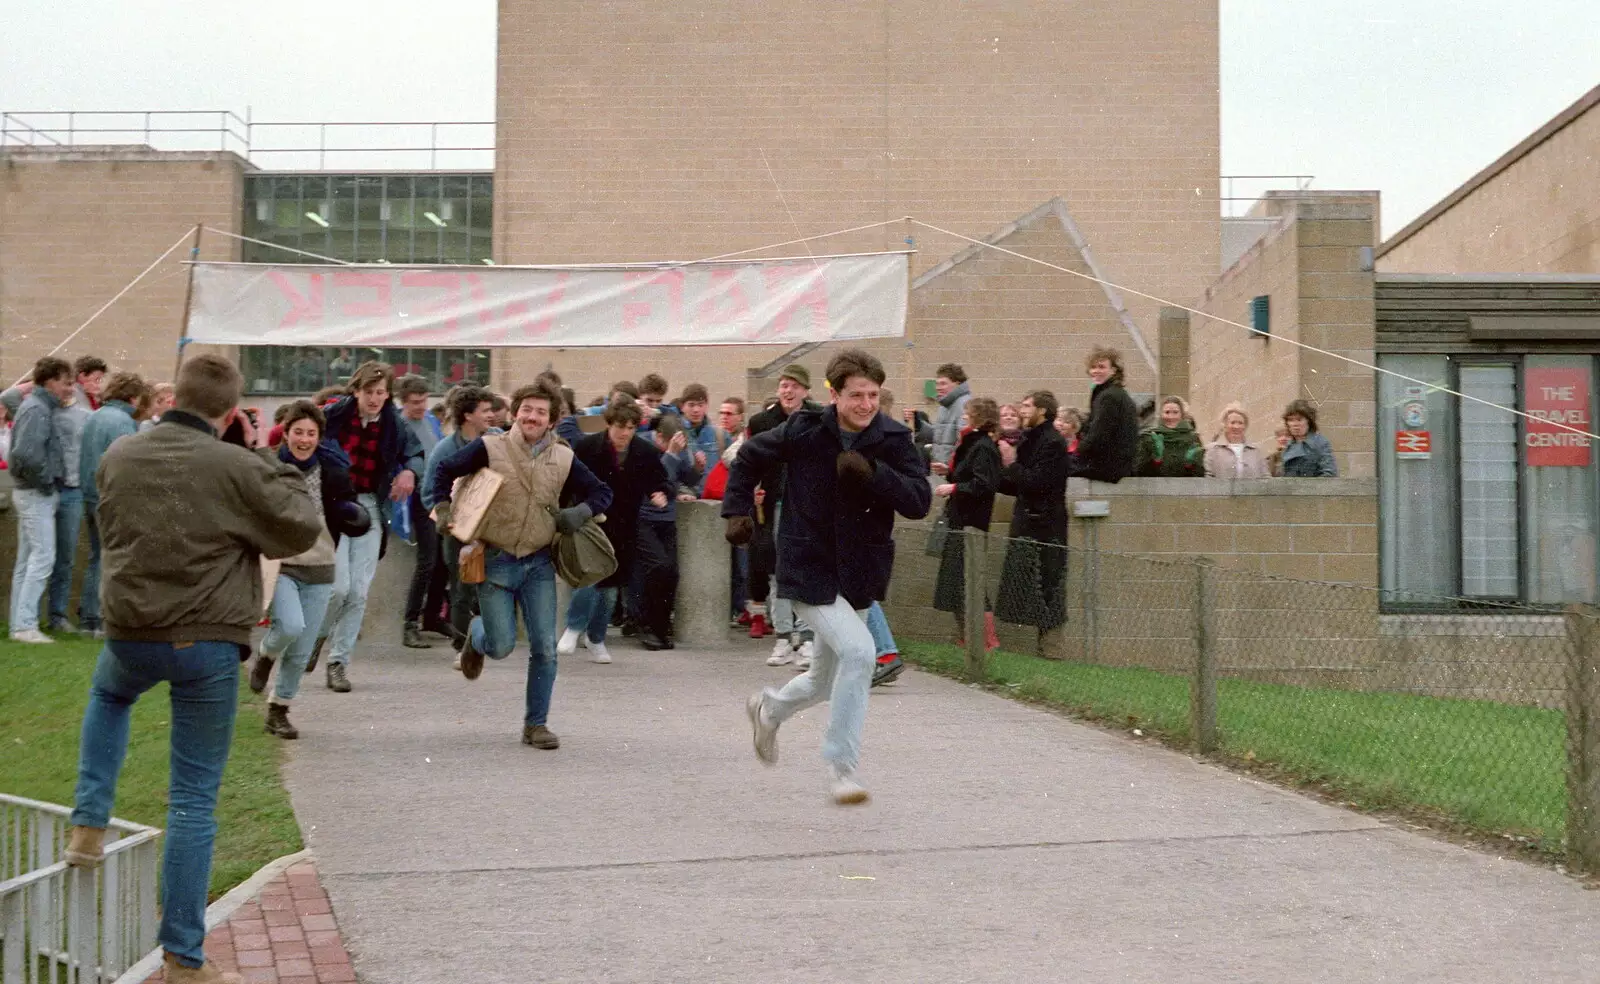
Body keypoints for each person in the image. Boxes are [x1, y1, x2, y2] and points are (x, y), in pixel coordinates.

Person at [65, 354, 322, 984]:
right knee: (192, 802)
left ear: (169, 396)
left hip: (129, 632)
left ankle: (88, 822)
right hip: (207, 645)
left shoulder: (121, 453)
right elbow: (299, 529)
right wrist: (268, 460)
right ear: (232, 413)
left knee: (110, 697)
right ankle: (183, 960)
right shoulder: (238, 464)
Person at [726, 349, 931, 805]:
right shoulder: (805, 430)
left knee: (822, 681)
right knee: (861, 652)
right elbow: (748, 457)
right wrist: (738, 510)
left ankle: (768, 709)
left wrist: (874, 474)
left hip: (859, 569)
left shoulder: (894, 439)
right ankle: (842, 770)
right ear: (834, 394)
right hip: (808, 564)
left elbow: (919, 500)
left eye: (873, 395)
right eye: (856, 395)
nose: (866, 404)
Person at [430, 381, 613, 749]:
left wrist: (577, 513)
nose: (532, 417)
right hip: (494, 559)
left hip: (539, 563)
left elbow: (602, 493)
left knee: (544, 646)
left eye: (541, 412)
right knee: (500, 646)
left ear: (552, 420)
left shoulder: (563, 457)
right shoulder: (487, 447)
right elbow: (442, 472)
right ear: (514, 413)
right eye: (527, 409)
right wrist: (445, 508)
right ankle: (477, 638)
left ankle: (536, 725)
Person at [248, 401, 371, 739]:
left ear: (319, 437)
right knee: (289, 626)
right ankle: (265, 655)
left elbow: (349, 504)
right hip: (281, 563)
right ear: (285, 434)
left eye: (311, 434)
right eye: (297, 432)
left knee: (302, 649)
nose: (304, 440)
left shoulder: (332, 468)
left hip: (321, 564)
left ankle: (279, 710)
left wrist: (352, 513)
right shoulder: (268, 467)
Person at [310, 362, 425, 692]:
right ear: (355, 390)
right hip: (335, 507)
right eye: (369, 392)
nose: (375, 399)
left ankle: (338, 662)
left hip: (371, 507)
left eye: (381, 392)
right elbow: (299, 431)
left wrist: (409, 473)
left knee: (359, 591)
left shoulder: (394, 424)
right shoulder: (333, 416)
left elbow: (416, 454)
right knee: (338, 588)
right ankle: (316, 638)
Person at [559, 397, 672, 662]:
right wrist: (566, 514)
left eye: (631, 427)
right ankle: (574, 627)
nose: (625, 433)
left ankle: (596, 638)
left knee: (610, 590)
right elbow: (568, 482)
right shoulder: (587, 447)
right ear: (609, 424)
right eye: (620, 426)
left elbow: (661, 481)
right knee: (590, 577)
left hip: (626, 526)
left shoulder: (645, 452)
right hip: (592, 523)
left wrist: (660, 493)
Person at [745, 364, 820, 663]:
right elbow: (748, 459)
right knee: (778, 572)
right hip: (773, 504)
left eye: (794, 386)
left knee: (803, 570)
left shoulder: (818, 418)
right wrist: (752, 487)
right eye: (784, 385)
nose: (788, 391)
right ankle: (783, 638)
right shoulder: (762, 421)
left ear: (805, 390)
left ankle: (806, 639)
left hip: (807, 506)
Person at [423, 385, 498, 654]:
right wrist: (447, 516)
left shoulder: (497, 439)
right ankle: (462, 645)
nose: (491, 415)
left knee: (490, 586)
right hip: (460, 531)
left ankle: (487, 638)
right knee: (462, 588)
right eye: (485, 410)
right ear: (468, 415)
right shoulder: (445, 449)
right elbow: (429, 492)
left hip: (492, 530)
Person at [77, 372, 151, 639]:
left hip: (88, 493)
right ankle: (98, 618)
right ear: (133, 397)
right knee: (108, 559)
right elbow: (127, 465)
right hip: (109, 497)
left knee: (97, 556)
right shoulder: (123, 422)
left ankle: (88, 619)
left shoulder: (95, 416)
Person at [6, 357, 73, 643]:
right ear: (49, 381)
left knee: (27, 561)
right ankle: (24, 626)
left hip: (30, 492)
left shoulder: (36, 406)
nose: (69, 389)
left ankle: (19, 625)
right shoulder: (37, 409)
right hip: (36, 493)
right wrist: (48, 481)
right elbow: (25, 455)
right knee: (43, 558)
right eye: (65, 383)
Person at [995, 390, 1070, 633]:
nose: (1022, 411)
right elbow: (1016, 485)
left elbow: (1036, 482)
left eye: (1027, 406)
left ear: (1042, 411)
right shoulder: (1029, 439)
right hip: (1027, 521)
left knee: (1047, 584)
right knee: (1022, 585)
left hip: (1046, 525)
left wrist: (1011, 463)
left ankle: (1048, 644)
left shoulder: (1053, 442)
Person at [933, 396, 1003, 650]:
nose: (964, 416)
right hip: (960, 520)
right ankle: (969, 637)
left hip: (970, 523)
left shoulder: (983, 446)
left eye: (968, 413)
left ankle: (985, 640)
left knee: (969, 580)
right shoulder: (973, 444)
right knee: (958, 580)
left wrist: (954, 487)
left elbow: (984, 484)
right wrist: (948, 472)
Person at [396, 374, 446, 648]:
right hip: (416, 498)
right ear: (403, 401)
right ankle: (410, 622)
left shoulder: (430, 421)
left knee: (443, 559)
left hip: (436, 494)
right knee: (427, 560)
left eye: (425, 400)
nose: (422, 406)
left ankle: (432, 614)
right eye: (416, 402)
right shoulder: (400, 425)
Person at [1070, 346, 1139, 483]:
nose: (1096, 371)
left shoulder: (1108, 397)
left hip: (1107, 467)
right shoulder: (1114, 394)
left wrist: (1078, 452)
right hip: (1114, 465)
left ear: (1113, 370)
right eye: (1093, 367)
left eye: (1101, 367)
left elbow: (1099, 434)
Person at [1135, 396, 1205, 477]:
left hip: (1184, 488)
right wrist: (1156, 460)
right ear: (1161, 414)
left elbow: (1200, 476)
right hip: (1156, 488)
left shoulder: (1193, 439)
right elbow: (1139, 473)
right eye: (1167, 412)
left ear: (1182, 415)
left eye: (1175, 412)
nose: (1171, 417)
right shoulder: (1149, 437)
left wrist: (1189, 465)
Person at [924, 362, 972, 474]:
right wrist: (917, 421)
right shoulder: (945, 405)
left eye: (943, 384)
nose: (938, 388)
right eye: (937, 384)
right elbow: (938, 433)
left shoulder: (965, 405)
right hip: (941, 468)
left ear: (958, 383)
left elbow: (965, 444)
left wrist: (952, 469)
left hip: (952, 472)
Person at [676, 383, 722, 494]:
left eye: (700, 405)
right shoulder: (675, 433)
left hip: (712, 497)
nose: (696, 410)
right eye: (691, 405)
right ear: (682, 407)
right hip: (683, 498)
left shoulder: (720, 434)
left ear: (706, 406)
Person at [1204, 404, 1271, 479]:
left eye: (1240, 423)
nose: (1236, 427)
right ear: (1225, 425)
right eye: (1232, 422)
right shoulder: (1213, 450)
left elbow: (1266, 478)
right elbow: (1208, 479)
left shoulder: (1257, 451)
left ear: (1245, 426)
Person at [1280, 399, 1338, 476]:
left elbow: (1329, 473)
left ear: (1308, 421)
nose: (1295, 424)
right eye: (1291, 420)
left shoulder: (1319, 443)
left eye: (1299, 419)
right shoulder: (1288, 447)